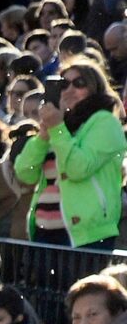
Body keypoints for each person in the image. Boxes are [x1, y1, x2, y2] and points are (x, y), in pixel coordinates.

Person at [13, 60, 127, 247]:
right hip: (45, 232)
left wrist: (57, 128)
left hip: (88, 235)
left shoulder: (105, 122)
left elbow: (78, 169)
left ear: (94, 87)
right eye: (64, 84)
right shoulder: (57, 124)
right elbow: (25, 173)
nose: (70, 89)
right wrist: (43, 133)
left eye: (79, 83)